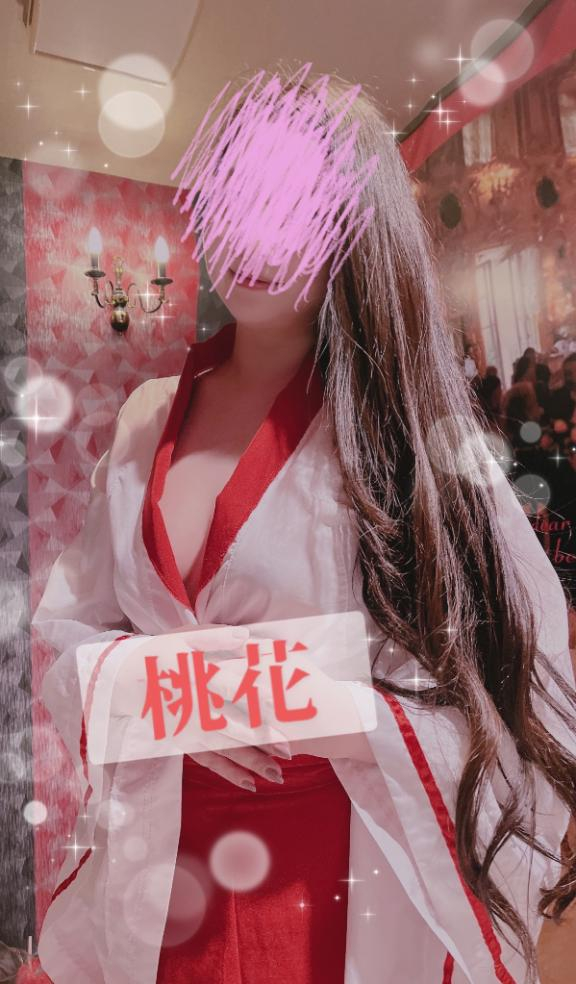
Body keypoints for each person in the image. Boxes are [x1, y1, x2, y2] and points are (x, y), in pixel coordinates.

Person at [31, 66, 576, 984]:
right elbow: (69, 631)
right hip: (157, 869)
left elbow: (522, 670)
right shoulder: (146, 419)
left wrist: (316, 708)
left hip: (334, 881)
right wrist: (165, 690)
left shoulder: (408, 440)